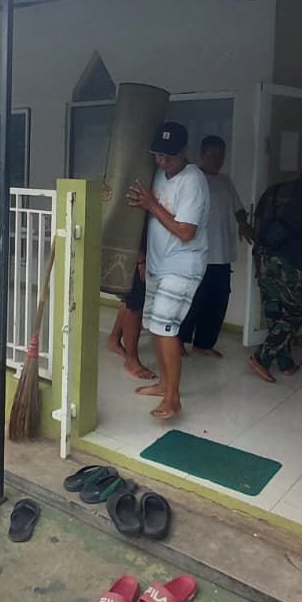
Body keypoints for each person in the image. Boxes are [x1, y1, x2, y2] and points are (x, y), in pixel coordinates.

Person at [127, 121, 209, 420]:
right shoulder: (160, 174)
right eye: (159, 155)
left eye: (169, 156)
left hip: (182, 265)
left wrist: (152, 205)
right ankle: (164, 385)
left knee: (166, 329)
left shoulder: (193, 181)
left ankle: (173, 399)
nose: (163, 161)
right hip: (157, 264)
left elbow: (186, 232)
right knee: (155, 326)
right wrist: (142, 258)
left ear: (184, 151)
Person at [247, 160, 302, 383]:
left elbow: (256, 226)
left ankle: (285, 362)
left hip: (262, 256)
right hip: (288, 262)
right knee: (297, 310)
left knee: (274, 310)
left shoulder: (273, 191)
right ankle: (262, 357)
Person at [178, 136, 249, 357]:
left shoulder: (225, 181)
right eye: (213, 154)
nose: (218, 159)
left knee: (218, 301)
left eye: (221, 155)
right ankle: (179, 341)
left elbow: (238, 208)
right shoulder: (192, 179)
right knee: (193, 301)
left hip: (223, 253)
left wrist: (243, 223)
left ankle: (204, 343)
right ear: (202, 154)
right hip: (198, 253)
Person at [106, 229, 154, 380]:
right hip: (135, 254)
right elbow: (129, 225)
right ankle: (131, 360)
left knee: (131, 298)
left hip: (143, 251)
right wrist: (140, 258)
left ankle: (114, 339)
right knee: (135, 303)